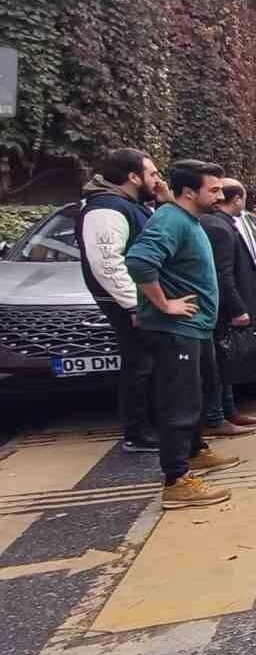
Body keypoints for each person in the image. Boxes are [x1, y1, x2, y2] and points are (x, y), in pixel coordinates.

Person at [124, 161, 241, 509]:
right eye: (214, 190)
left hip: (196, 326)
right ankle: (176, 481)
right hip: (177, 329)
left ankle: (194, 452)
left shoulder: (178, 214)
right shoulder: (173, 219)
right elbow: (139, 261)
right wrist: (165, 304)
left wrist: (163, 195)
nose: (221, 195)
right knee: (180, 403)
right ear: (190, 192)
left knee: (202, 390)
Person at [75, 148, 161, 453]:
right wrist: (132, 305)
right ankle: (138, 433)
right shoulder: (106, 208)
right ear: (133, 177)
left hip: (143, 299)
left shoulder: (127, 204)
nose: (157, 179)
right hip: (132, 303)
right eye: (152, 173)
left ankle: (150, 425)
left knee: (149, 364)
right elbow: (107, 262)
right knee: (139, 365)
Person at [199, 178, 256, 437]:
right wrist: (238, 308)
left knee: (224, 364)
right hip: (223, 310)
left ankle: (229, 410)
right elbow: (223, 274)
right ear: (237, 199)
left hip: (223, 307)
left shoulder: (221, 223)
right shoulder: (218, 227)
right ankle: (216, 417)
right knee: (217, 364)